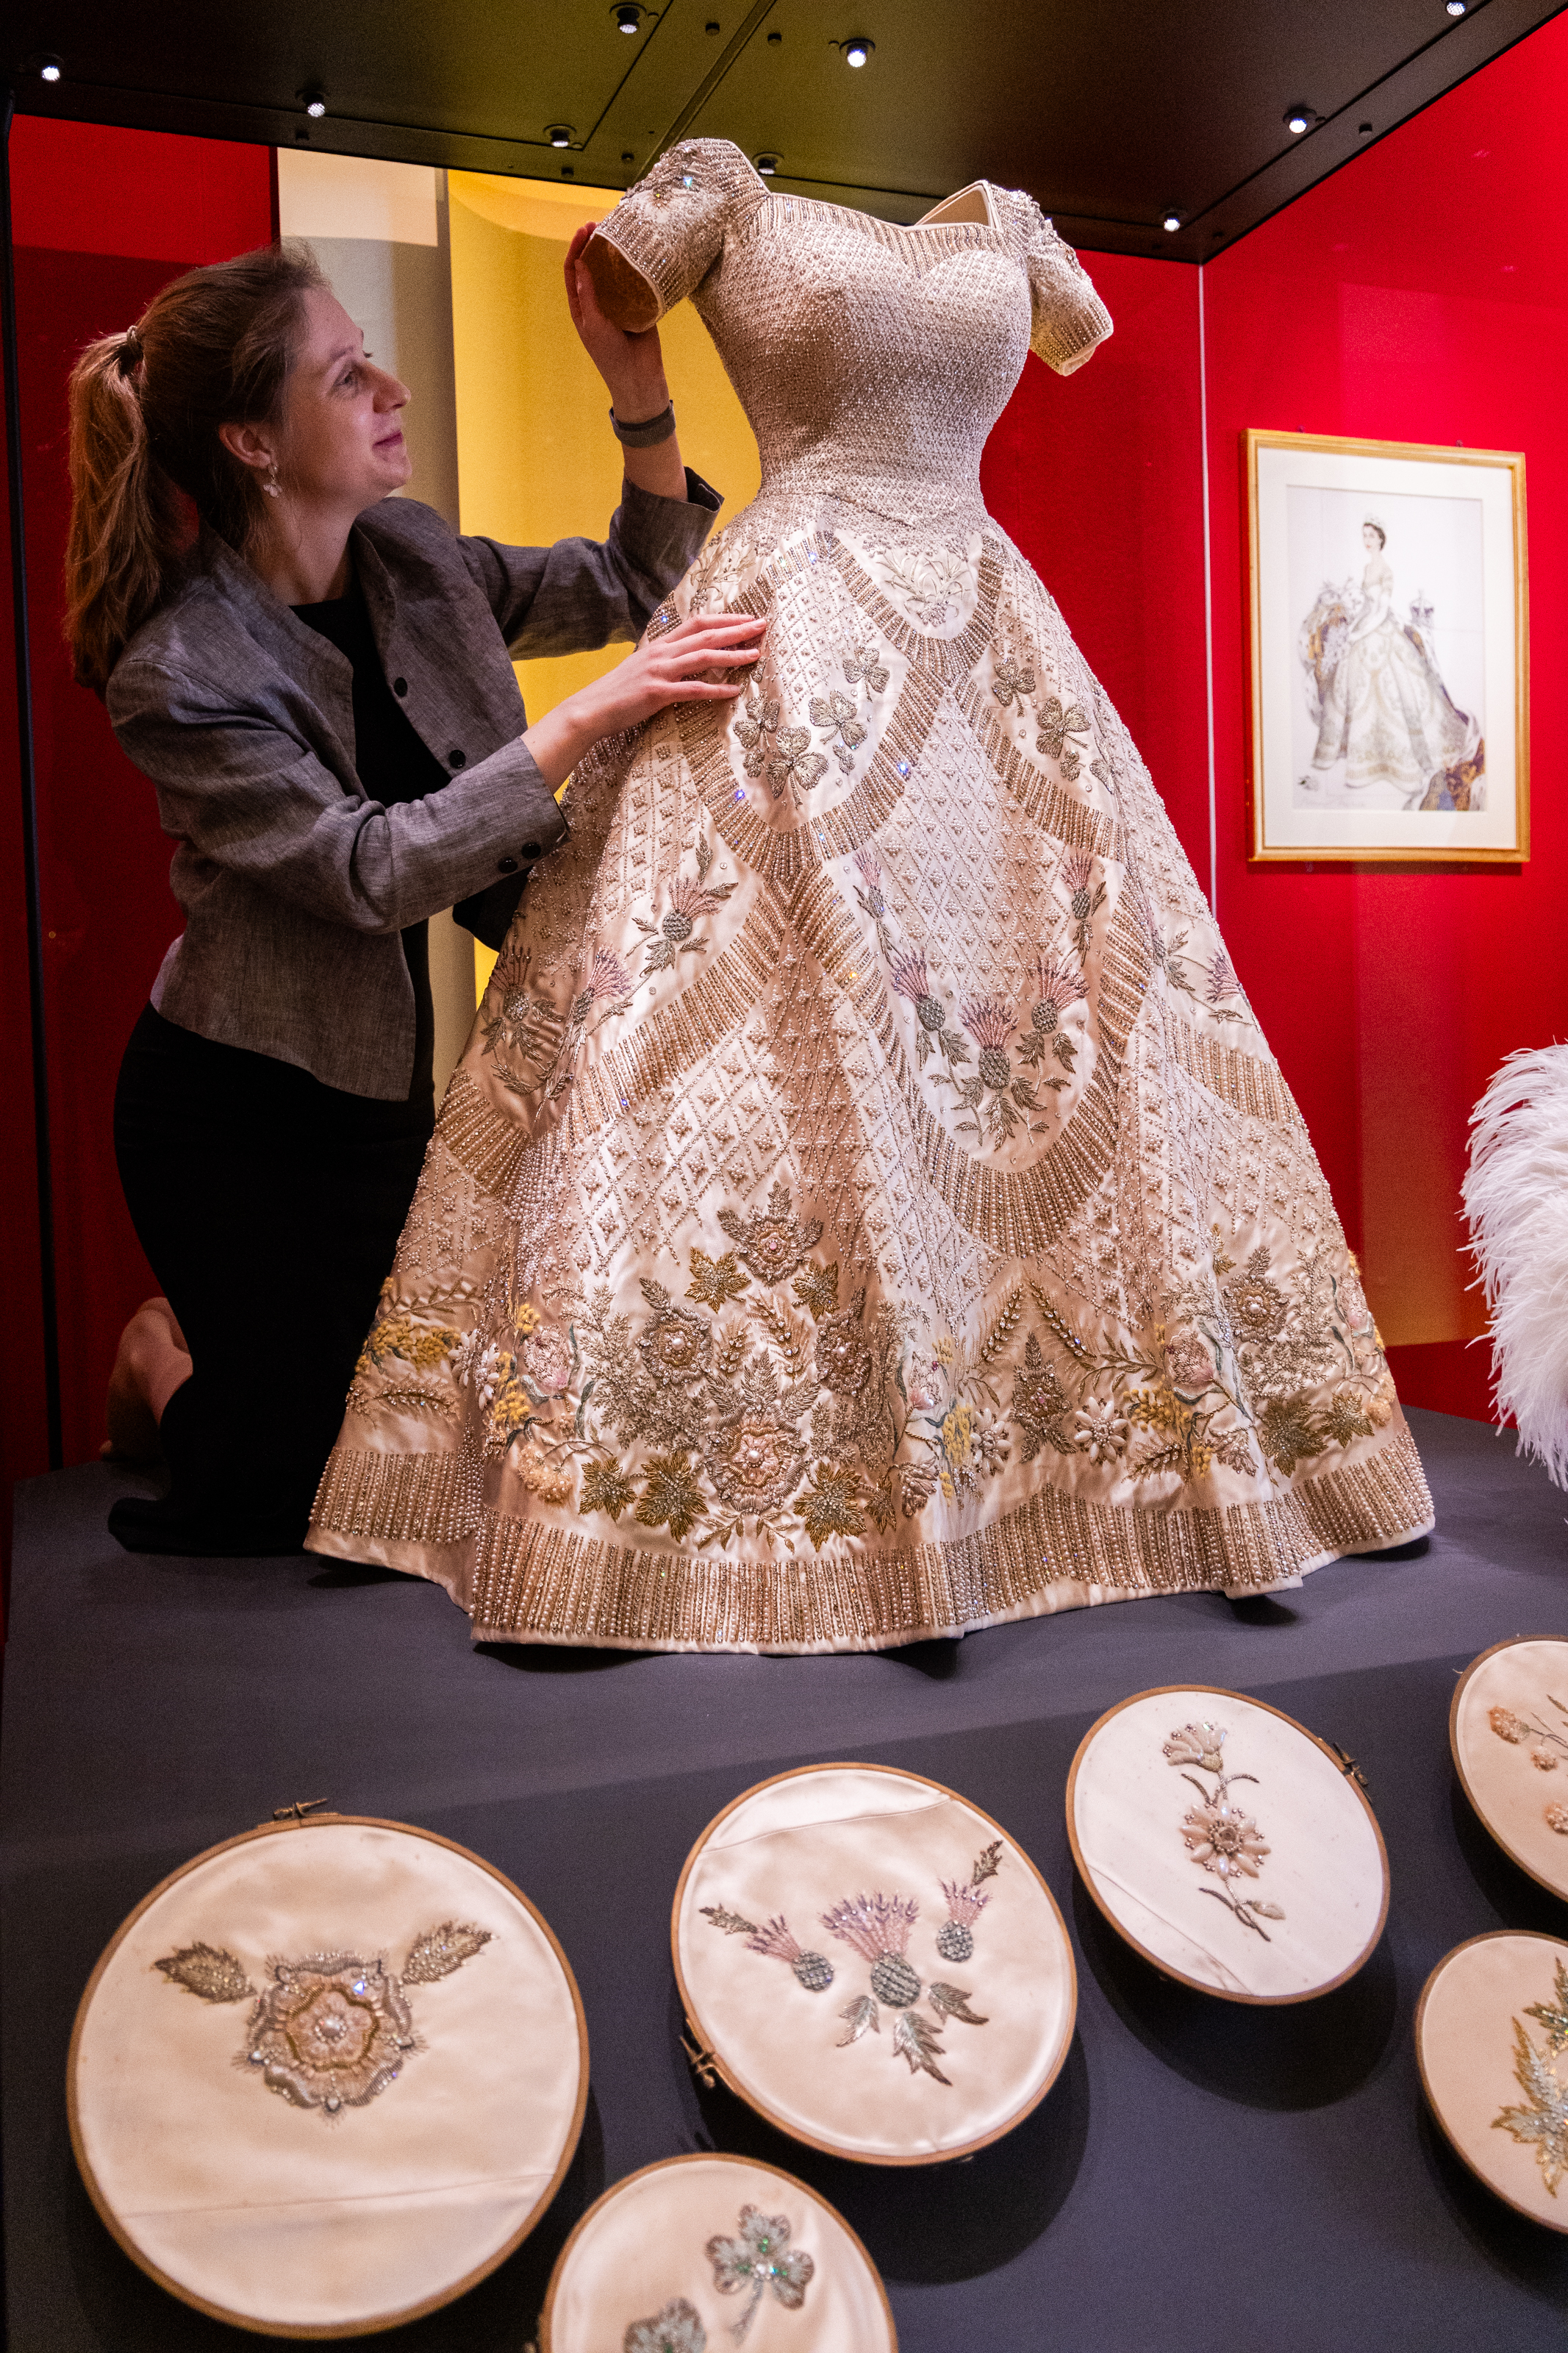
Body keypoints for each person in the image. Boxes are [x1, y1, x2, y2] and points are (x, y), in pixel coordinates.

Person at [309, 140, 1433, 1651]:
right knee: (794, 1030)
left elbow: (1077, 338)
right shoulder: (709, 192)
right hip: (787, 632)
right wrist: (633, 388)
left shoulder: (1021, 225)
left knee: (1087, 1023)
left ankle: (1111, 1463)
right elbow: (627, 404)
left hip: (985, 636)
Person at [67, 229, 765, 1554]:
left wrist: (638, 391)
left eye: (370, 364)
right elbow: (363, 870)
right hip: (230, 1109)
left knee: (406, 1454)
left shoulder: (413, 554)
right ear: (253, 445)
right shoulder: (182, 672)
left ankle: (217, 1375)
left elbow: (634, 579)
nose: (386, 392)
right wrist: (580, 725)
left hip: (375, 1094)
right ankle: (154, 1360)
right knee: (285, 1498)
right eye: (344, 378)